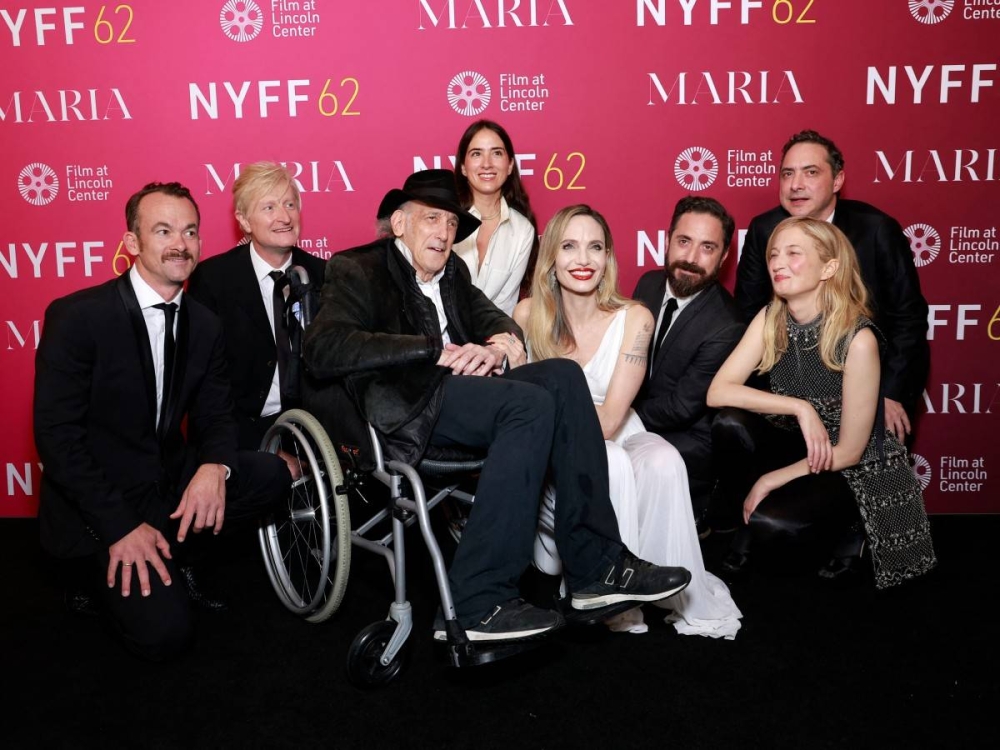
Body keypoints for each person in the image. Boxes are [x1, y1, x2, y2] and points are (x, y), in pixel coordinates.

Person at [303, 170, 691, 644]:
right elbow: (324, 348)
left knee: (563, 376)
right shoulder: (356, 267)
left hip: (465, 394)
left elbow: (493, 316)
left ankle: (596, 569)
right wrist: (430, 349)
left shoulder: (453, 273)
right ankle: (477, 601)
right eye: (431, 220)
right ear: (400, 224)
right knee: (527, 405)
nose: (444, 233)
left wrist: (501, 344)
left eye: (450, 223)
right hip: (406, 405)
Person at [34, 182, 290, 659]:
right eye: (164, 231)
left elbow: (216, 413)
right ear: (132, 243)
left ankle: (180, 554)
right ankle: (90, 579)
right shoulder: (78, 317)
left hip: (165, 488)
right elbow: (58, 439)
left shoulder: (204, 323)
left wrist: (215, 467)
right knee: (166, 636)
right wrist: (118, 528)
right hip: (100, 508)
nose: (180, 244)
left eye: (190, 231)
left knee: (270, 474)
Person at [514, 205, 741, 638]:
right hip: (552, 445)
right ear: (551, 257)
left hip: (613, 425)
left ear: (608, 258)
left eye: (595, 247)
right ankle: (608, 591)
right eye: (569, 246)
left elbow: (609, 420)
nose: (583, 259)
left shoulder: (634, 318)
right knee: (613, 462)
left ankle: (669, 590)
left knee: (663, 459)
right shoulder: (526, 316)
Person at [707, 217, 937, 588]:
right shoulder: (770, 317)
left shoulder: (857, 338)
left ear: (829, 267)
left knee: (774, 524)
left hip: (855, 461)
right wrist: (801, 408)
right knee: (728, 423)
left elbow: (848, 451)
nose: (778, 263)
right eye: (774, 254)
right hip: (800, 436)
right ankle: (755, 519)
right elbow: (718, 392)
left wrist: (769, 479)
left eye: (794, 253)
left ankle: (852, 524)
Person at [734, 130, 929, 444]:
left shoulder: (876, 230)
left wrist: (892, 395)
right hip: (786, 388)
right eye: (788, 174)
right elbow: (748, 313)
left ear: (837, 181)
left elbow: (909, 319)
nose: (796, 184)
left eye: (810, 172)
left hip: (864, 386)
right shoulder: (763, 230)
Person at [188, 161, 327, 451]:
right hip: (245, 431)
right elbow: (207, 386)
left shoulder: (325, 275)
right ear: (245, 221)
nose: (284, 216)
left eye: (290, 204)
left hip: (318, 428)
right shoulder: (213, 280)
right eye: (269, 207)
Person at [632, 196, 745, 530]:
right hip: (640, 413)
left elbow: (682, 407)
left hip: (688, 437)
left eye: (707, 248)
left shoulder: (727, 324)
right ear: (667, 241)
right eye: (684, 242)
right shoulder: (648, 284)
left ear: (724, 257)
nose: (691, 259)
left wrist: (615, 417)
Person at [452, 119, 538, 315]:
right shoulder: (446, 221)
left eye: (497, 153)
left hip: (493, 338)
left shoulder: (523, 231)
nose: (487, 164)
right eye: (476, 154)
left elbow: (504, 307)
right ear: (463, 167)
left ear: (509, 166)